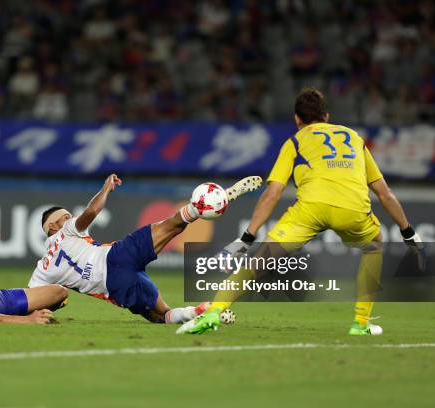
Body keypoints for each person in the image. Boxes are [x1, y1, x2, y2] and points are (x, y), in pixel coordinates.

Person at [179, 87, 423, 336]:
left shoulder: (295, 141)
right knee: (374, 246)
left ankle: (213, 312)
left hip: (310, 209)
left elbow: (272, 193)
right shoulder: (354, 138)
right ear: (326, 116)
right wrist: (408, 232)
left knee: (260, 259)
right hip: (353, 208)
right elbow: (385, 193)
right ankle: (361, 324)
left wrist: (246, 238)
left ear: (297, 120)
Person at [28, 173, 261, 323]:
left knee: (161, 317)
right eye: (66, 215)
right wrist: (106, 188)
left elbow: (29, 298)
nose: (70, 217)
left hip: (115, 287)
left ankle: (199, 311)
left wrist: (31, 317)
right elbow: (90, 212)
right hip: (119, 255)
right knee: (172, 225)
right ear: (53, 225)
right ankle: (207, 204)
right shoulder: (67, 229)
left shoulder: (42, 269)